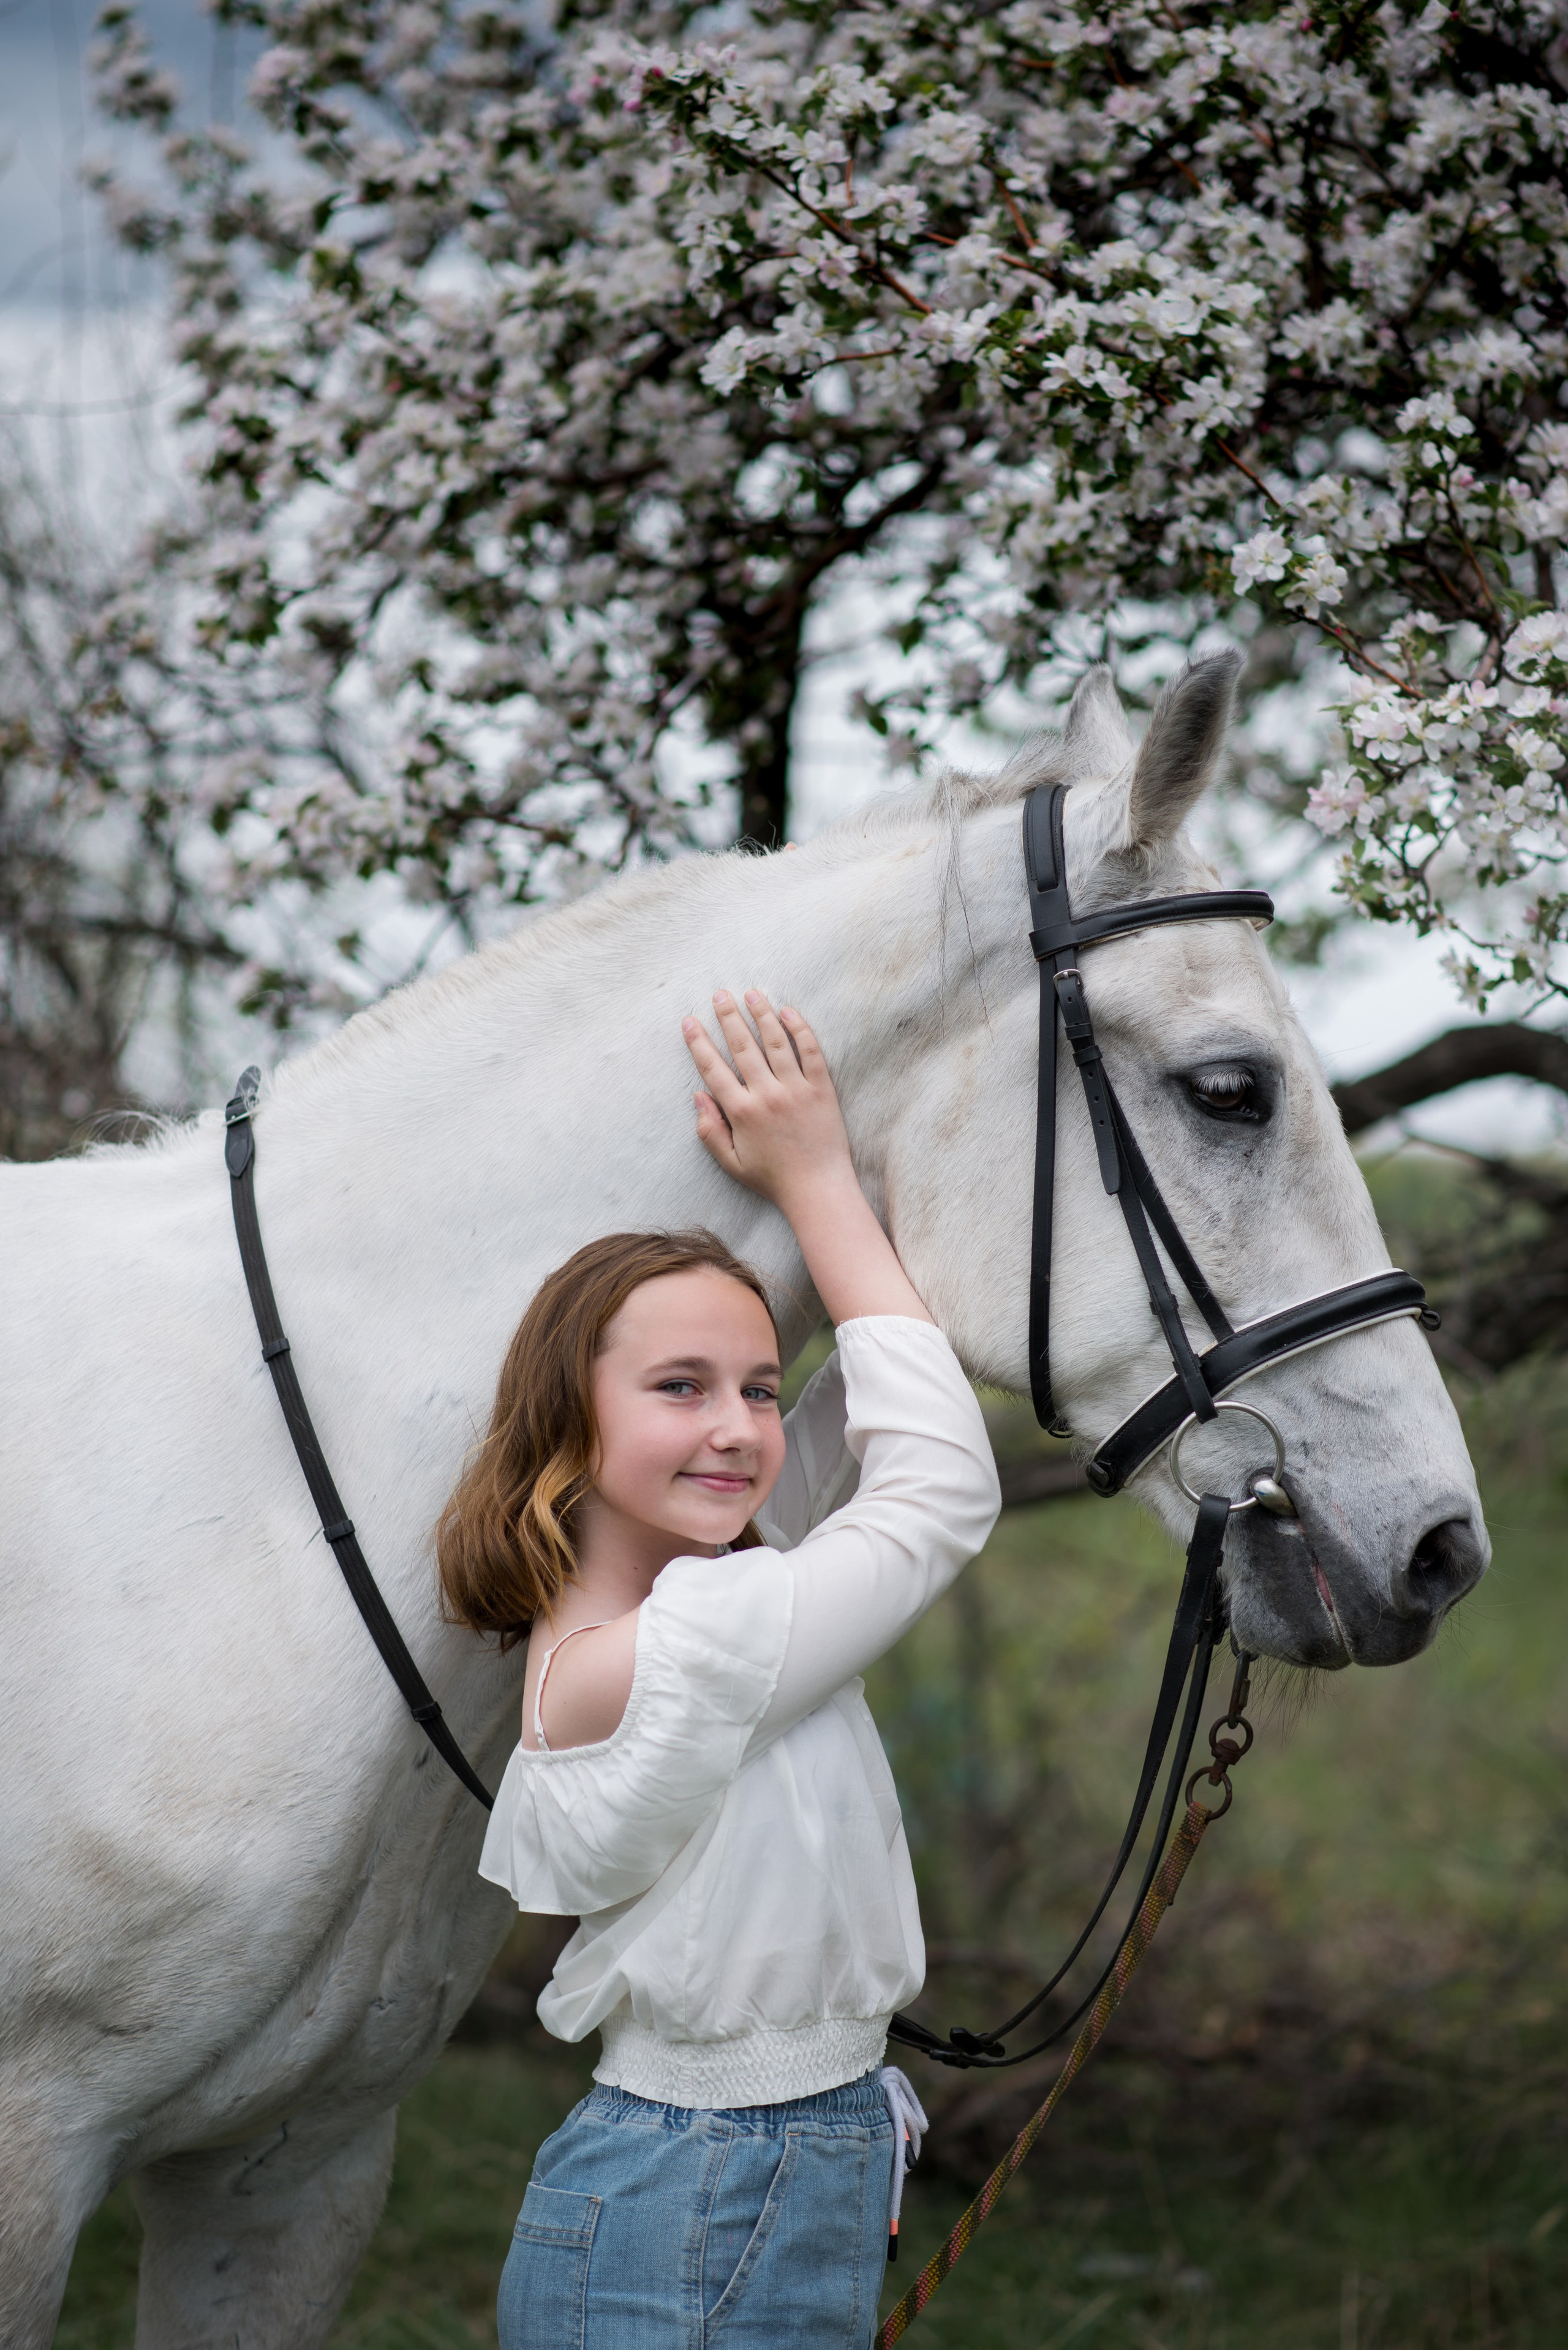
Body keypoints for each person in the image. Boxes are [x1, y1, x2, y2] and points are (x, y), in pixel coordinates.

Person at [439, 986, 1001, 2350]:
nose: (742, 1426)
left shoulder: (704, 1589)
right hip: (699, 2199)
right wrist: (812, 1179)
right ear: (569, 1417)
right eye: (680, 1386)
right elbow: (934, 1483)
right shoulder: (674, 1647)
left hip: (753, 2173)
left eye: (757, 1385)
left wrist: (882, 1167)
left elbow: (883, 1384)